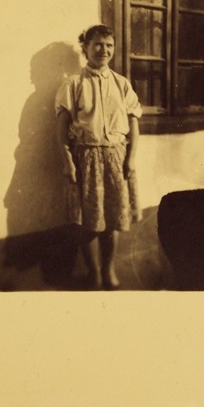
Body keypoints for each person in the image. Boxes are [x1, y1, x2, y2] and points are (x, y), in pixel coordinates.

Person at [55, 24, 142, 289]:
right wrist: (68, 162)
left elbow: (134, 127)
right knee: (90, 222)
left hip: (117, 157)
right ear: (85, 48)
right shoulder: (73, 85)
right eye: (97, 44)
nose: (104, 50)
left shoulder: (122, 84)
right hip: (87, 159)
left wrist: (131, 159)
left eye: (109, 45)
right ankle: (93, 272)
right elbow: (61, 132)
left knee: (114, 218)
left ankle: (109, 270)